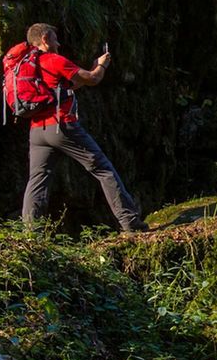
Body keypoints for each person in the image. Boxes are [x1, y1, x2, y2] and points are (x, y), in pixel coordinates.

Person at [18, 23, 146, 233]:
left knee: (37, 180)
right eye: (55, 38)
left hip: (37, 131)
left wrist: (91, 69)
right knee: (103, 169)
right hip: (62, 126)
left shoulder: (27, 64)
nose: (58, 43)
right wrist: (101, 66)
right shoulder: (54, 60)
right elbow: (93, 78)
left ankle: (31, 233)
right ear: (44, 40)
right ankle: (129, 222)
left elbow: (70, 84)